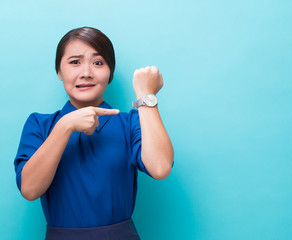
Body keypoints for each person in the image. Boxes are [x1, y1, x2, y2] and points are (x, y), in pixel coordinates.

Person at [14, 26, 174, 240]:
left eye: (98, 63)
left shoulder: (131, 123)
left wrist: (146, 96)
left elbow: (161, 168)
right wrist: (65, 126)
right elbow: (30, 190)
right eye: (74, 62)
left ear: (110, 74)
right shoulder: (39, 125)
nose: (86, 72)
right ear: (59, 72)